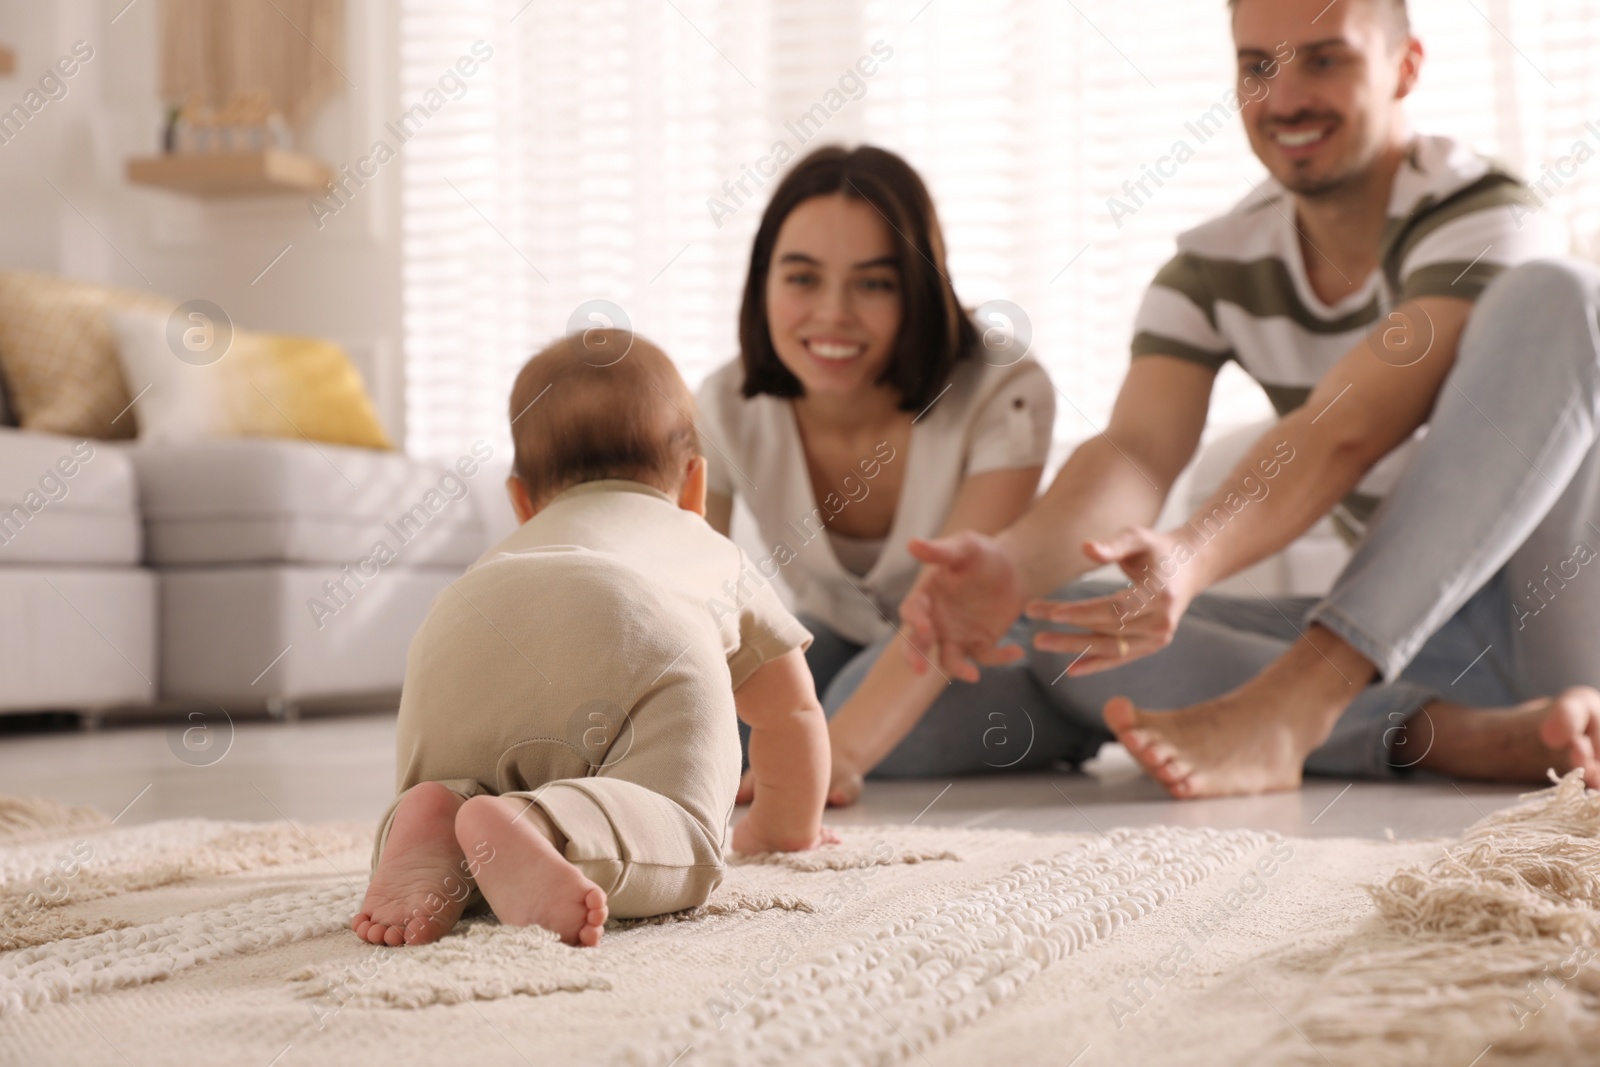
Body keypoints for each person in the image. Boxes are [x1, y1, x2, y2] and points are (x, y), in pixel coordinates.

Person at [900, 0, 1600, 798]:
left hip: (1571, 605)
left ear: (1405, 69)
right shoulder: (1213, 265)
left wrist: (1194, 553)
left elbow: (1347, 429)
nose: (1285, 98)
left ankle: (1302, 706)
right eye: (1256, 66)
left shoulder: (1486, 214)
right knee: (1065, 617)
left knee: (1565, 295)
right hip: (1427, 637)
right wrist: (1015, 563)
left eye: (1325, 60)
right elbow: (1136, 450)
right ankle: (1455, 733)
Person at [353, 331, 831, 948]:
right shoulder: (710, 548)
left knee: (454, 776)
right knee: (671, 819)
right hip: (632, 618)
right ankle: (551, 829)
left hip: (461, 623)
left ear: (521, 500)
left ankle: (435, 816)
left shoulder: (508, 548)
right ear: (693, 486)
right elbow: (791, 712)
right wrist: (781, 829)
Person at [696, 145, 1062, 805]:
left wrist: (836, 757)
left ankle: (1067, 718)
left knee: (860, 724)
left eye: (873, 283)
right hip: (842, 635)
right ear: (762, 283)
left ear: (918, 288)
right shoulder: (724, 405)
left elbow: (947, 610)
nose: (833, 313)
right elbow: (684, 603)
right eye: (802, 278)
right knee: (743, 715)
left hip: (980, 639)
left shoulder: (1004, 388)